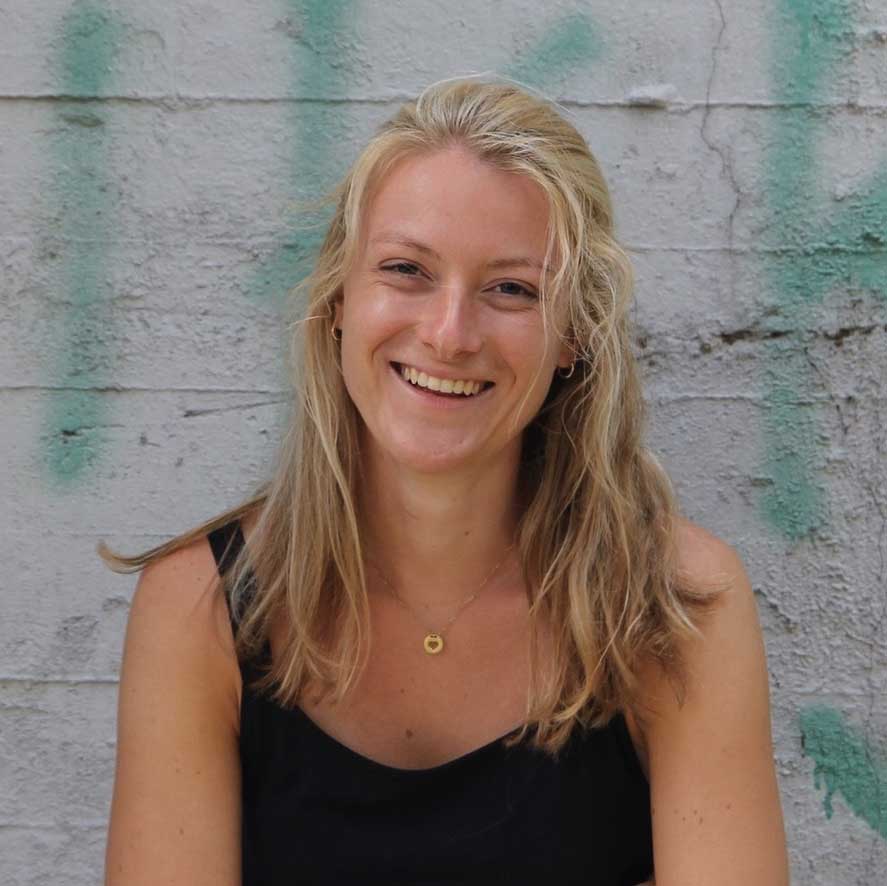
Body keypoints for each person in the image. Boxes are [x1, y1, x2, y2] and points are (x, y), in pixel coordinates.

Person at [101, 76, 789, 885]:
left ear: (572, 335)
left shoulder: (675, 602)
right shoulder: (202, 607)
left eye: (511, 289)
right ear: (339, 300)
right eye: (406, 269)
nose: (449, 333)